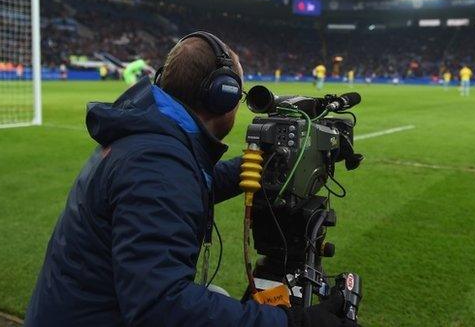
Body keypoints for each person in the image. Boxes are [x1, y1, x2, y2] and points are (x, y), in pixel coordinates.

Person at [25, 31, 351, 327]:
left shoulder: (153, 139)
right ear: (221, 96)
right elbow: (161, 307)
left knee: (218, 296)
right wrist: (294, 323)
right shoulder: (158, 166)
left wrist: (260, 165)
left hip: (77, 310)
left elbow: (192, 180)